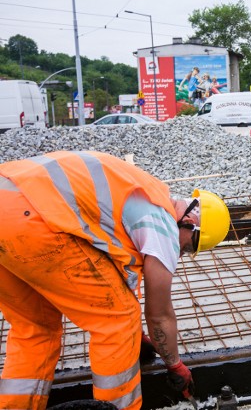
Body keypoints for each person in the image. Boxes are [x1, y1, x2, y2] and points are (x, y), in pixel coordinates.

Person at [0, 151, 230, 410]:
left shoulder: (145, 195)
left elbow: (111, 277)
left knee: (36, 329)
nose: (183, 253)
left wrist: (140, 336)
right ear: (190, 222)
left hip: (9, 201)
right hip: (33, 216)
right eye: (190, 247)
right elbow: (159, 314)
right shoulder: (163, 223)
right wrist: (174, 364)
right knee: (119, 319)